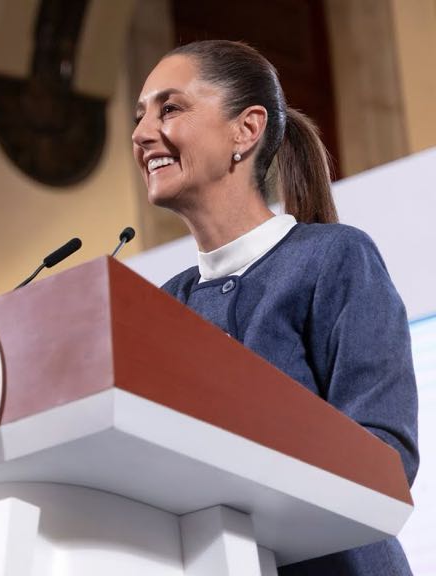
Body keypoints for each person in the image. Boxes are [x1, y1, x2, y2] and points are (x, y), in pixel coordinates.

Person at [131, 40, 419, 575]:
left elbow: (386, 457)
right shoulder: (165, 304)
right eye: (140, 116)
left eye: (169, 108)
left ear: (246, 129)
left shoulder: (335, 258)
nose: (142, 132)